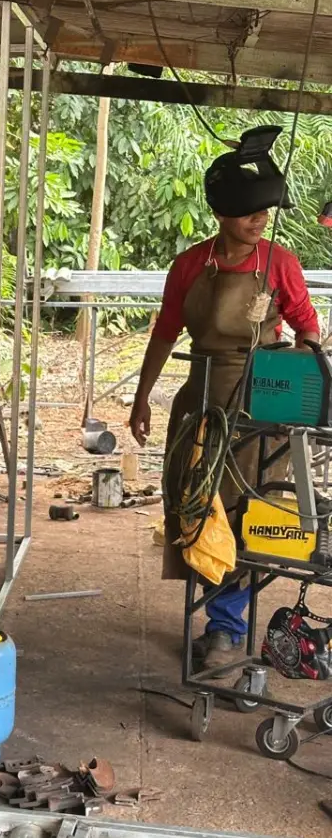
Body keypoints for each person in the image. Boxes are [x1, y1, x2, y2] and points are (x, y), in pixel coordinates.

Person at [129, 128, 321, 676]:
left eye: (265, 211)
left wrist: (304, 387)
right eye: (249, 212)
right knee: (195, 510)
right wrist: (142, 398)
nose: (260, 220)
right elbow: (165, 334)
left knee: (248, 517)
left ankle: (226, 627)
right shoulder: (190, 266)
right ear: (222, 212)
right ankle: (208, 604)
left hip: (262, 405)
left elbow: (308, 332)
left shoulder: (279, 263)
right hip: (201, 403)